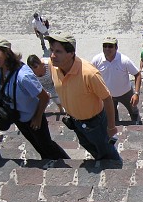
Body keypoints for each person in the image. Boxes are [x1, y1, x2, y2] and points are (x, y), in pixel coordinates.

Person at [0, 37, 69, 160]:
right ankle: (47, 160)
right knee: (37, 145)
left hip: (33, 118)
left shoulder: (23, 76)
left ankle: (62, 162)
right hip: (18, 118)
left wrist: (38, 118)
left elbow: (44, 97)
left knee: (47, 145)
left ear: (6, 52)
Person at [47, 31, 121, 161]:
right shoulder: (54, 65)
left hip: (95, 123)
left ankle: (115, 168)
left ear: (71, 53)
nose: (52, 55)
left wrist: (111, 127)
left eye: (58, 51)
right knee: (88, 145)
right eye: (51, 50)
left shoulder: (89, 74)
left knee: (107, 151)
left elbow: (107, 99)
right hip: (75, 122)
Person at [90, 36, 143, 125]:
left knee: (134, 113)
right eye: (105, 46)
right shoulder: (96, 60)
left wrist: (136, 94)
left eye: (110, 46)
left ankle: (138, 126)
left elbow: (137, 74)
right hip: (107, 95)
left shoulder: (124, 60)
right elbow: (90, 76)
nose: (107, 49)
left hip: (126, 93)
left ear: (116, 48)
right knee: (112, 117)